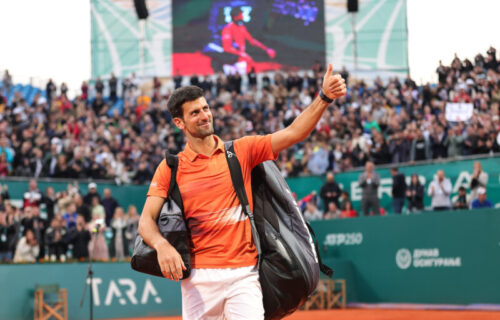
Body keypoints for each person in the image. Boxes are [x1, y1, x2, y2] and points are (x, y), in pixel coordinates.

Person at [138, 64, 345, 319]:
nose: (204, 115)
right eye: (195, 113)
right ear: (179, 122)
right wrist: (162, 246)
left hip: (244, 275)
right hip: (198, 281)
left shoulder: (241, 151)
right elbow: (146, 222)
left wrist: (323, 98)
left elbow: (293, 133)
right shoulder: (171, 167)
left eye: (205, 108)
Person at [219, 7, 276, 74]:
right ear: (235, 17)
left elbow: (252, 40)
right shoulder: (228, 29)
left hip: (241, 62)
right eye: (241, 15)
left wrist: (267, 49)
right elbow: (227, 48)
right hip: (231, 62)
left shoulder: (241, 27)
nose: (242, 16)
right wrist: (243, 55)